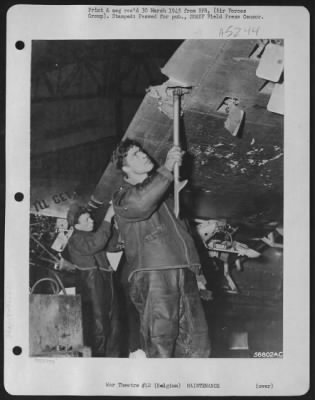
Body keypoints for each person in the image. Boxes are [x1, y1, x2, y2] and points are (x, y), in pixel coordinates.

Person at [111, 139, 211, 358]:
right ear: (124, 168)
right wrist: (166, 170)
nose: (144, 154)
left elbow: (184, 237)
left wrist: (198, 271)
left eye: (143, 151)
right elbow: (140, 203)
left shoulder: (164, 199)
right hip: (154, 272)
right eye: (135, 154)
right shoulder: (122, 197)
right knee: (161, 343)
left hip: (184, 272)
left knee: (197, 344)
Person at [67, 202, 121, 357]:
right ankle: (97, 360)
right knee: (99, 325)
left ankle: (113, 360)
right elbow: (95, 245)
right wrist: (107, 218)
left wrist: (115, 225)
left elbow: (113, 246)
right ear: (77, 226)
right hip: (92, 284)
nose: (91, 221)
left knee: (114, 324)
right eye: (86, 220)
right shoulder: (75, 240)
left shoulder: (94, 235)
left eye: (90, 218)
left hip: (105, 281)